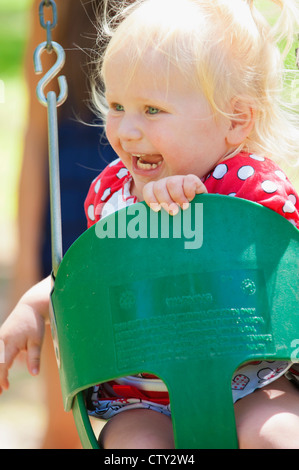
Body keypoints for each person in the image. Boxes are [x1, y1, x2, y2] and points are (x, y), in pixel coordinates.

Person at [1, 0, 299, 449]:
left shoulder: (253, 186)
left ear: (235, 121)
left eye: (153, 110)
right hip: (144, 398)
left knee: (277, 434)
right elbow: (93, 273)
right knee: (133, 446)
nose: (126, 130)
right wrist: (34, 302)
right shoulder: (114, 194)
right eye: (118, 104)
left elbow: (278, 260)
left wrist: (187, 211)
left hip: (249, 378)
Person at [8, 0, 116, 448]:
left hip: (161, 196)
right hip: (69, 195)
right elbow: (36, 137)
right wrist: (24, 268)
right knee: (63, 423)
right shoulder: (55, 9)